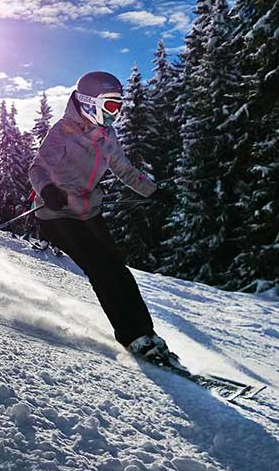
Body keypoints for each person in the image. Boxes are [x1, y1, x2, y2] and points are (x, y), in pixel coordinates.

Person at [29, 71, 172, 363]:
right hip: (57, 214)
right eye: (110, 106)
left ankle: (147, 334)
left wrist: (154, 192)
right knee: (102, 267)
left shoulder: (108, 136)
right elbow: (37, 169)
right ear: (88, 102)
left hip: (88, 211)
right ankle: (132, 337)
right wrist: (48, 189)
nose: (115, 113)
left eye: (119, 106)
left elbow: (124, 169)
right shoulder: (63, 132)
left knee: (119, 269)